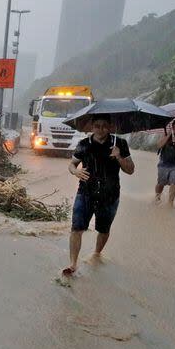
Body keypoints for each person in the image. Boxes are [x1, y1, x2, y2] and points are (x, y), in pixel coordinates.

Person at [63, 115, 135, 276]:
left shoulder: (120, 144)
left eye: (104, 126)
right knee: (76, 228)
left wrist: (119, 156)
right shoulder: (84, 144)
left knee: (103, 229)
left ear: (110, 127)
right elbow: (72, 164)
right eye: (97, 126)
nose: (100, 129)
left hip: (110, 195)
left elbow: (130, 170)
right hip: (85, 192)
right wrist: (76, 172)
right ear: (91, 127)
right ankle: (73, 264)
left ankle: (96, 253)